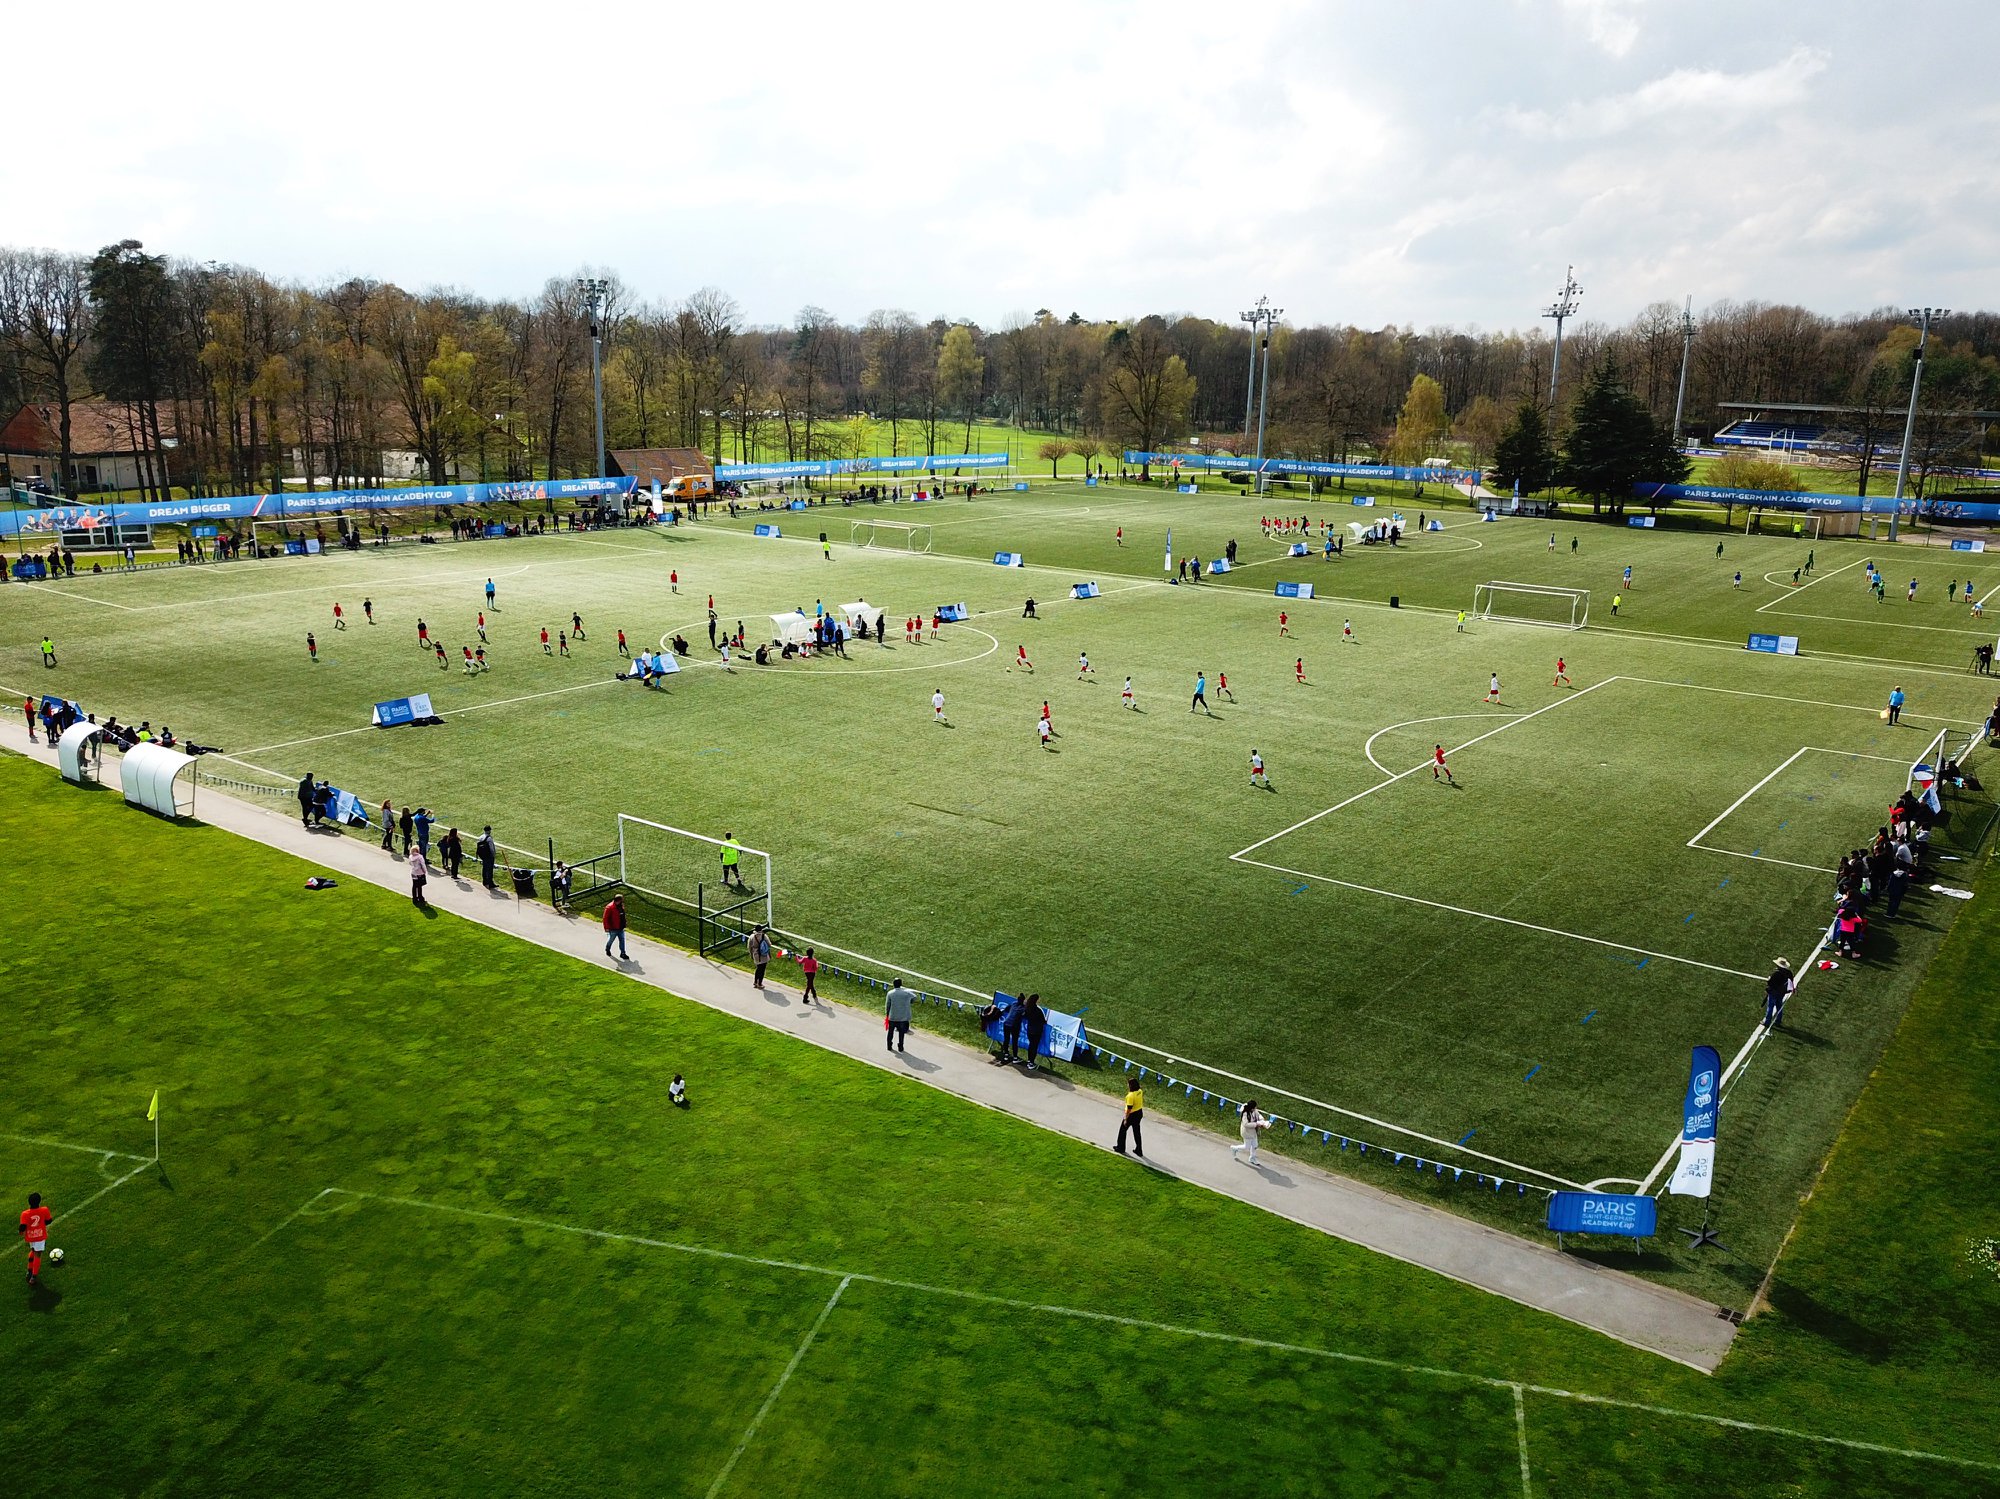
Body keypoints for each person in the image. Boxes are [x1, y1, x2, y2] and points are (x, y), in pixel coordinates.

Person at [20, 1191, 52, 1287]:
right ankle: (33, 1277)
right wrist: (42, 1225)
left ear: (29, 1202)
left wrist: (21, 1232)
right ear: (39, 1201)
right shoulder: (44, 1210)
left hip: (30, 1236)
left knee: (33, 1251)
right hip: (40, 1236)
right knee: (38, 1255)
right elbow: (49, 1220)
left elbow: (22, 1227)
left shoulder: (25, 1214)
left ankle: (29, 1270)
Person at [1231, 1100, 1271, 1166]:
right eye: (1255, 1107)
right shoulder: (1245, 1114)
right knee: (1247, 1147)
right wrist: (1256, 1124)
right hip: (1247, 1132)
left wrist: (1262, 1120)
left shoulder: (1254, 1110)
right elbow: (1246, 1124)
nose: (1256, 1108)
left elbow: (1258, 1115)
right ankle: (1234, 1148)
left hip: (1253, 1132)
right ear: (1251, 1108)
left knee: (1255, 1145)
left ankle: (1252, 1158)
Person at [1114, 1075, 1144, 1157]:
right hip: (1139, 1113)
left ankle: (1120, 1147)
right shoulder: (1140, 1091)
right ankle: (1139, 1150)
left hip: (1131, 1115)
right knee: (1137, 1132)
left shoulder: (1130, 1096)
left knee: (1122, 1131)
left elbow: (1129, 1109)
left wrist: (1125, 1119)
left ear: (1130, 1085)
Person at [884, 978, 915, 1053]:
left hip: (892, 1016)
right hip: (902, 1017)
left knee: (890, 1032)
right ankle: (900, 1046)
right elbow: (914, 997)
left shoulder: (890, 993)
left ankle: (889, 1046)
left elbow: (888, 1005)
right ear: (901, 984)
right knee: (901, 1033)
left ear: (893, 984)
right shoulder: (906, 993)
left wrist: (887, 1015)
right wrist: (910, 1002)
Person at [1762, 957, 1792, 1031]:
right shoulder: (1789, 973)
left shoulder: (1776, 973)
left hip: (1774, 992)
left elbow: (1770, 982)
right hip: (1782, 992)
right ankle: (1778, 1020)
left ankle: (1767, 1022)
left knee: (1770, 1006)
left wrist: (1769, 979)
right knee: (1779, 1005)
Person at [1021, 993, 1047, 1072]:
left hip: (1030, 1030)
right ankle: (1031, 1062)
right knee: (1034, 1047)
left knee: (1031, 1045)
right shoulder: (1038, 1010)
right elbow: (1043, 1021)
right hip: (1037, 1031)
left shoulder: (1027, 1008)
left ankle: (1029, 1060)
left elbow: (1024, 1016)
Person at [1000, 993, 1025, 1062]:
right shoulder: (1023, 1008)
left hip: (1006, 1023)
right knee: (1014, 1041)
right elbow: (1025, 1015)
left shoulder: (1013, 1003)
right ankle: (1015, 1058)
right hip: (1014, 1026)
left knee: (1006, 1039)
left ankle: (1006, 1055)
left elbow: (1006, 1009)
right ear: (1023, 1001)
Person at [603, 894, 629, 961]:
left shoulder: (621, 906)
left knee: (622, 940)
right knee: (611, 940)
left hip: (620, 927)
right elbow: (605, 918)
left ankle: (623, 953)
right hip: (613, 928)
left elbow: (622, 915)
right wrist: (606, 927)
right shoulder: (609, 907)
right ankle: (607, 949)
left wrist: (624, 922)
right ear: (619, 900)